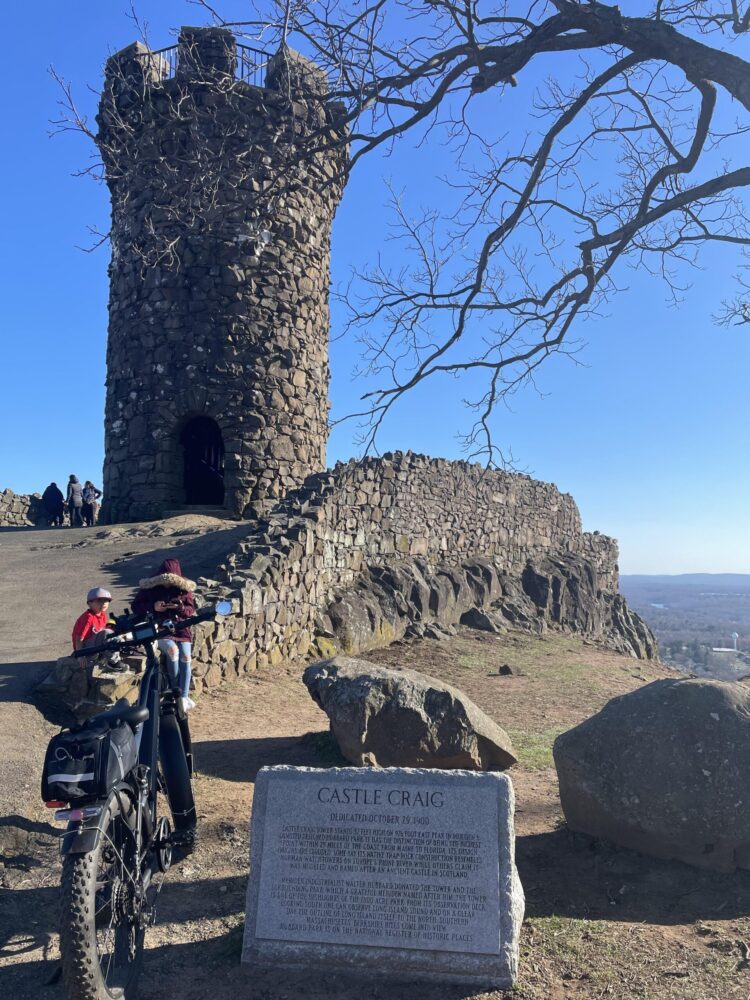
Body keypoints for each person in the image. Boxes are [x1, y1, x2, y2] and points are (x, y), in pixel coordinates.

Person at [132, 558, 197, 712]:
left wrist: (179, 608)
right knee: (172, 651)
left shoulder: (184, 590)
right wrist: (153, 607)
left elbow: (190, 610)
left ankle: (184, 696)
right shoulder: (150, 589)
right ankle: (176, 692)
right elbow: (136, 606)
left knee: (186, 657)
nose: (167, 584)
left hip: (181, 629)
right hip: (160, 629)